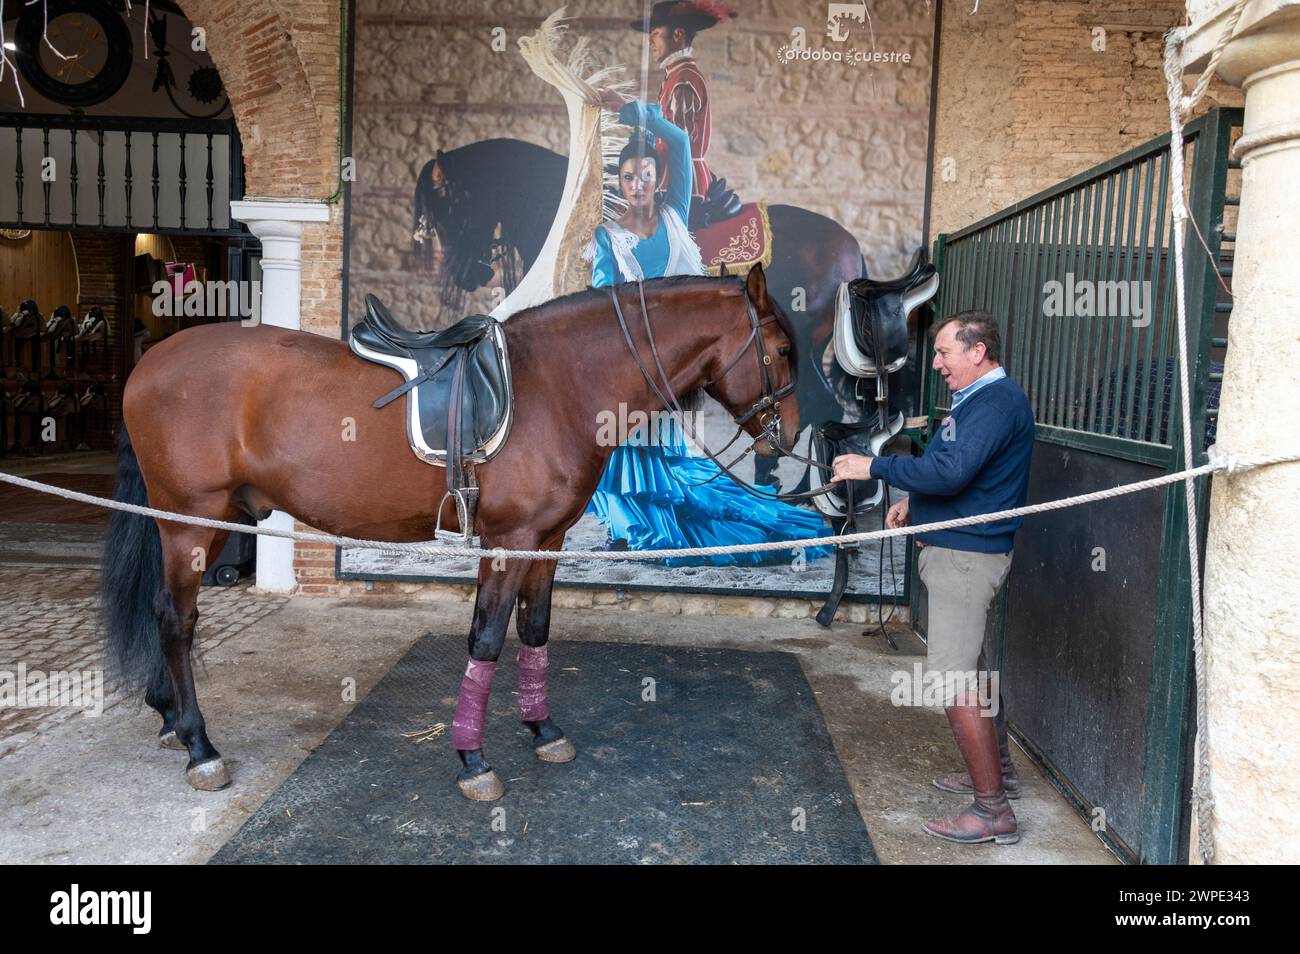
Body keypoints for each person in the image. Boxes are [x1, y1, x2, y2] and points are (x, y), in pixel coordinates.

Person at [583, 94, 829, 567]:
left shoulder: (676, 214)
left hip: (675, 364)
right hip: (632, 362)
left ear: (658, 181)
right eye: (629, 177)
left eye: (647, 176)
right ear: (619, 181)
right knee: (621, 445)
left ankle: (647, 521)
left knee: (667, 459)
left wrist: (637, 112)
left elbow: (676, 141)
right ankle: (626, 525)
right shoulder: (607, 237)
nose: (638, 185)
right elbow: (602, 304)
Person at [831, 311, 1035, 844]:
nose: (938, 362)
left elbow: (952, 471)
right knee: (975, 671)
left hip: (966, 559)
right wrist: (915, 505)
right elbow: (952, 467)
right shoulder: (976, 401)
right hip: (959, 551)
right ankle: (1000, 776)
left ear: (979, 351)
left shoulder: (995, 402)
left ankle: (993, 812)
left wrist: (871, 467)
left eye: (945, 352)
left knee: (953, 680)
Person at [631, 1, 739, 228]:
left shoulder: (684, 79)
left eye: (656, 34)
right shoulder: (676, 74)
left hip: (681, 183)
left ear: (678, 35)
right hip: (669, 177)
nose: (650, 41)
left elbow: (679, 140)